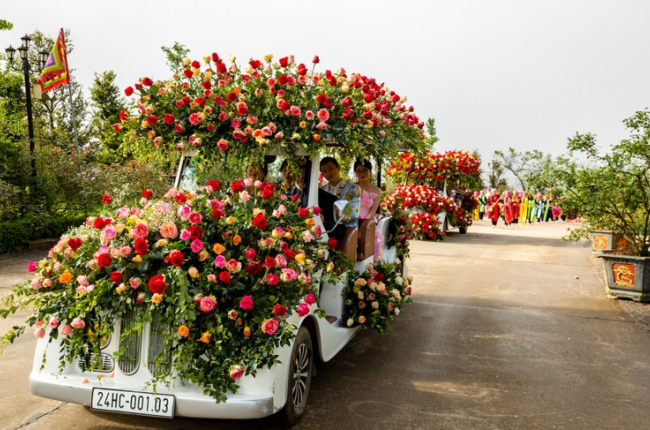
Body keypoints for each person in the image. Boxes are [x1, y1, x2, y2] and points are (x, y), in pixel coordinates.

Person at [319, 157, 361, 243]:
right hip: (326, 229)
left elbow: (353, 213)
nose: (328, 173)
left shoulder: (354, 189)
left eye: (330, 168)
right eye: (324, 171)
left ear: (338, 168)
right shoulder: (321, 191)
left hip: (347, 230)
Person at [353, 159, 384, 261]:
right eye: (359, 171)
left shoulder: (377, 191)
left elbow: (373, 211)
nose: (362, 173)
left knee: (366, 232)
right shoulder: (352, 187)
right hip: (352, 220)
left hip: (367, 220)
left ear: (370, 171)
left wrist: (364, 224)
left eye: (365, 170)